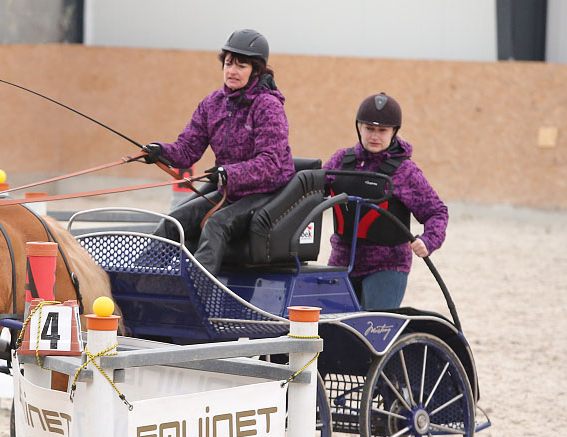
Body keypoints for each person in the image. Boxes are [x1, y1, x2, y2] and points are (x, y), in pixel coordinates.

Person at [144, 29, 295, 275]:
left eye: (241, 66)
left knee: (217, 224)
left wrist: (228, 173)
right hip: (230, 189)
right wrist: (159, 151)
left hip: (267, 193)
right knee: (174, 221)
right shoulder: (212, 104)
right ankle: (142, 280)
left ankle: (199, 291)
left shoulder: (268, 106)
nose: (231, 71)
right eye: (228, 64)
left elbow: (270, 164)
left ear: (256, 70)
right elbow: (187, 149)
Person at [325, 93, 448, 310]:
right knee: (331, 331)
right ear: (359, 127)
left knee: (372, 333)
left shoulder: (405, 171)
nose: (375, 136)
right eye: (369, 129)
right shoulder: (341, 160)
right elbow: (311, 190)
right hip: (341, 262)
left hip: (387, 267)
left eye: (382, 130)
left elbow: (436, 212)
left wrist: (429, 240)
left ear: (394, 132)